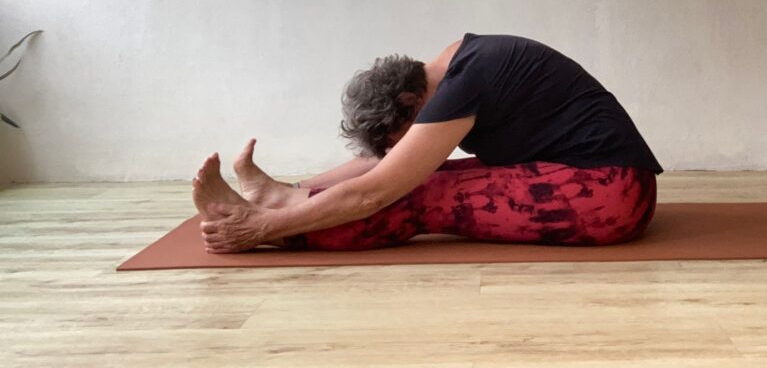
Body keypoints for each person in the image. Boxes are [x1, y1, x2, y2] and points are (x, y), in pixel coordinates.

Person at [192, 32, 663, 253]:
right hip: (596, 179)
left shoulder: (464, 82)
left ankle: (278, 226)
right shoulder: (451, 64)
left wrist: (261, 230)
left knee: (419, 194)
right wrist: (292, 190)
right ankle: (276, 199)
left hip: (609, 195)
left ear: (410, 101)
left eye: (400, 136)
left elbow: (376, 189)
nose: (402, 147)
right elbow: (383, 165)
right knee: (425, 175)